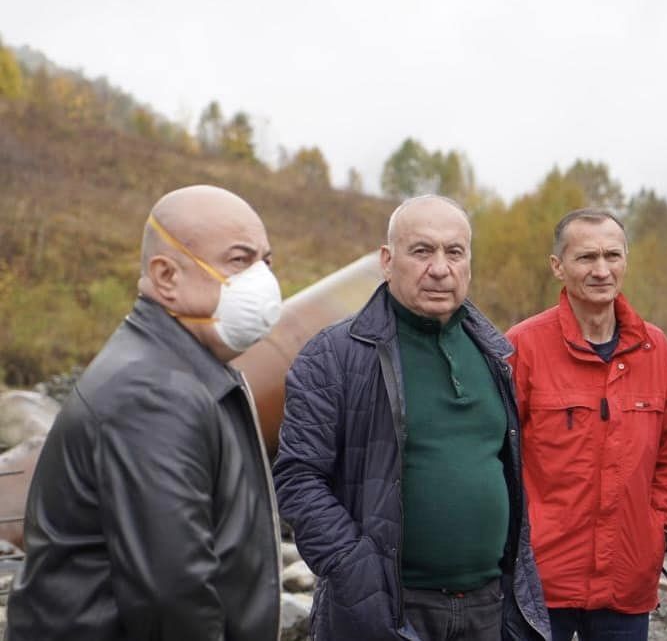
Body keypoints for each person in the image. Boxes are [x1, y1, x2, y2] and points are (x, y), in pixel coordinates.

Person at [5, 185, 284, 640]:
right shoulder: (153, 394)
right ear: (166, 276)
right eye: (239, 259)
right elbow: (171, 598)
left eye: (265, 262)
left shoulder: (180, 370)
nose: (262, 280)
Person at [272, 194, 550, 641]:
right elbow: (298, 477)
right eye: (422, 250)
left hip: (487, 608)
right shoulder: (334, 356)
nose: (440, 268)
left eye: (454, 252)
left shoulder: (494, 354)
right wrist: (356, 573)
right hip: (386, 608)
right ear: (387, 260)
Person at [506, 208, 667, 641]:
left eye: (612, 256)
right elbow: (497, 455)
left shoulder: (655, 349)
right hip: (541, 581)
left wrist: (661, 531)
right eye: (586, 257)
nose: (602, 270)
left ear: (626, 260)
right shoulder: (523, 347)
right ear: (558, 266)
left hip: (627, 580)